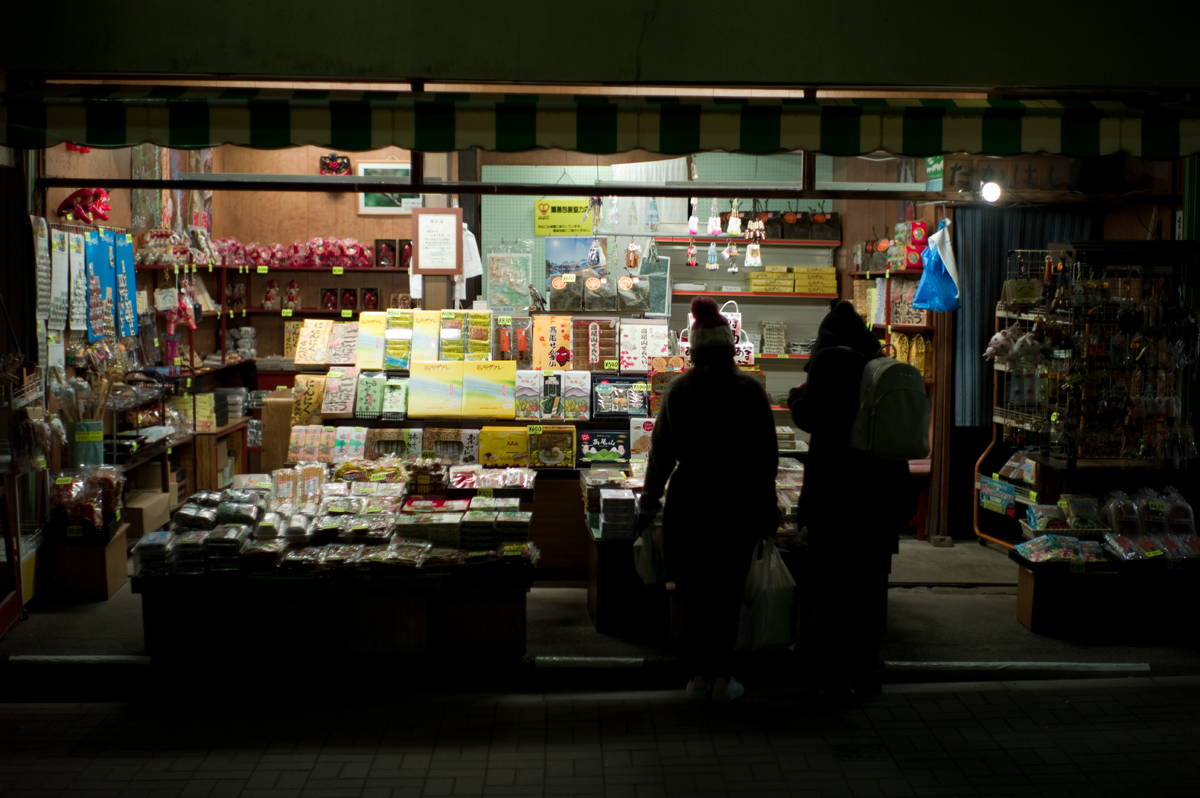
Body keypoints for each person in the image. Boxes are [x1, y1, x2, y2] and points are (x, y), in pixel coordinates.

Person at [636, 297, 779, 702]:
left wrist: (647, 505)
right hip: (738, 503)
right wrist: (767, 507)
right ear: (730, 347)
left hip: (690, 502)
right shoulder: (750, 390)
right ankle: (723, 677)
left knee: (694, 594)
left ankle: (697, 677)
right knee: (727, 595)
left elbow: (661, 453)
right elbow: (767, 456)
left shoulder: (680, 390)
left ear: (694, 350)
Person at [788, 300, 916, 698]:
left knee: (829, 588)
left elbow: (808, 416)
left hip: (834, 495)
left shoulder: (829, 362)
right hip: (878, 495)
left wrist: (796, 397)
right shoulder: (878, 363)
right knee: (865, 589)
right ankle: (867, 670)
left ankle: (837, 674)